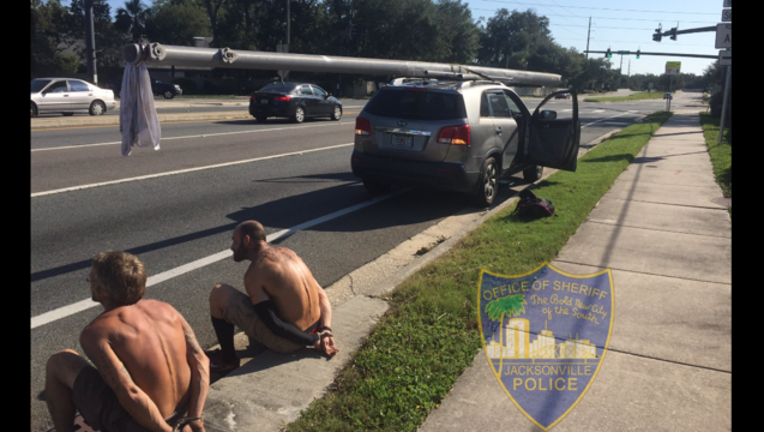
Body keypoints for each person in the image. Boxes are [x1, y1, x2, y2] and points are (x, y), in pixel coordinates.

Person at [45, 252, 209, 432]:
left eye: (90, 280)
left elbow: (129, 392)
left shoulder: (96, 333)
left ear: (101, 290)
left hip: (143, 425)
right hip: (183, 412)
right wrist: (195, 418)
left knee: (60, 361)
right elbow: (200, 359)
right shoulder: (168, 310)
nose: (89, 284)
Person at [207, 220, 338, 373]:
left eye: (235, 241)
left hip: (289, 342)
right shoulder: (289, 254)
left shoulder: (255, 272)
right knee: (263, 301)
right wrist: (325, 330)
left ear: (247, 240)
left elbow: (274, 324)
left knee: (219, 293)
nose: (232, 247)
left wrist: (313, 341)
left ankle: (228, 360)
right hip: (316, 327)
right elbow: (322, 295)